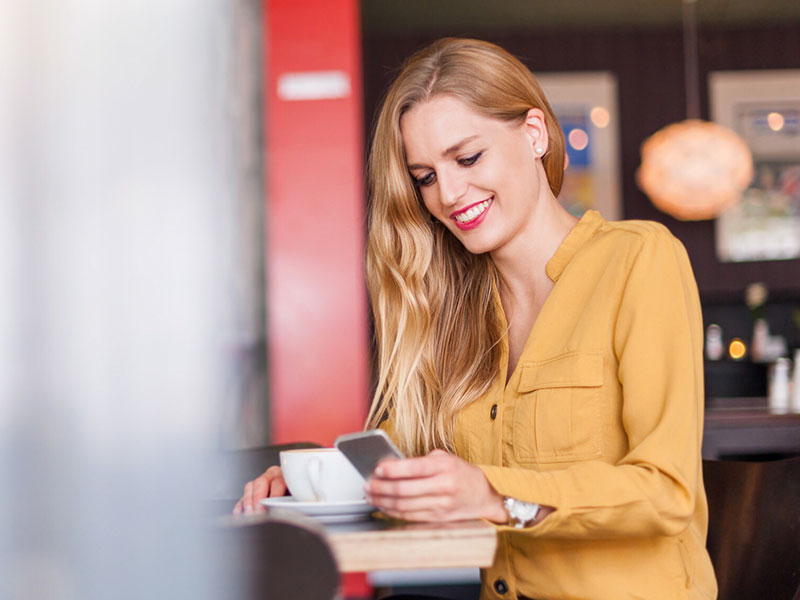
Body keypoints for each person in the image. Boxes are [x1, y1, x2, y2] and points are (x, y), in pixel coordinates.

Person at [235, 38, 717, 600]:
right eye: (425, 176)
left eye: (467, 158)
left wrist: (492, 494)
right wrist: (316, 479)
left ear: (534, 134)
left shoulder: (639, 259)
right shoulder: (462, 310)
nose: (449, 194)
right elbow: (411, 448)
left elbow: (666, 492)